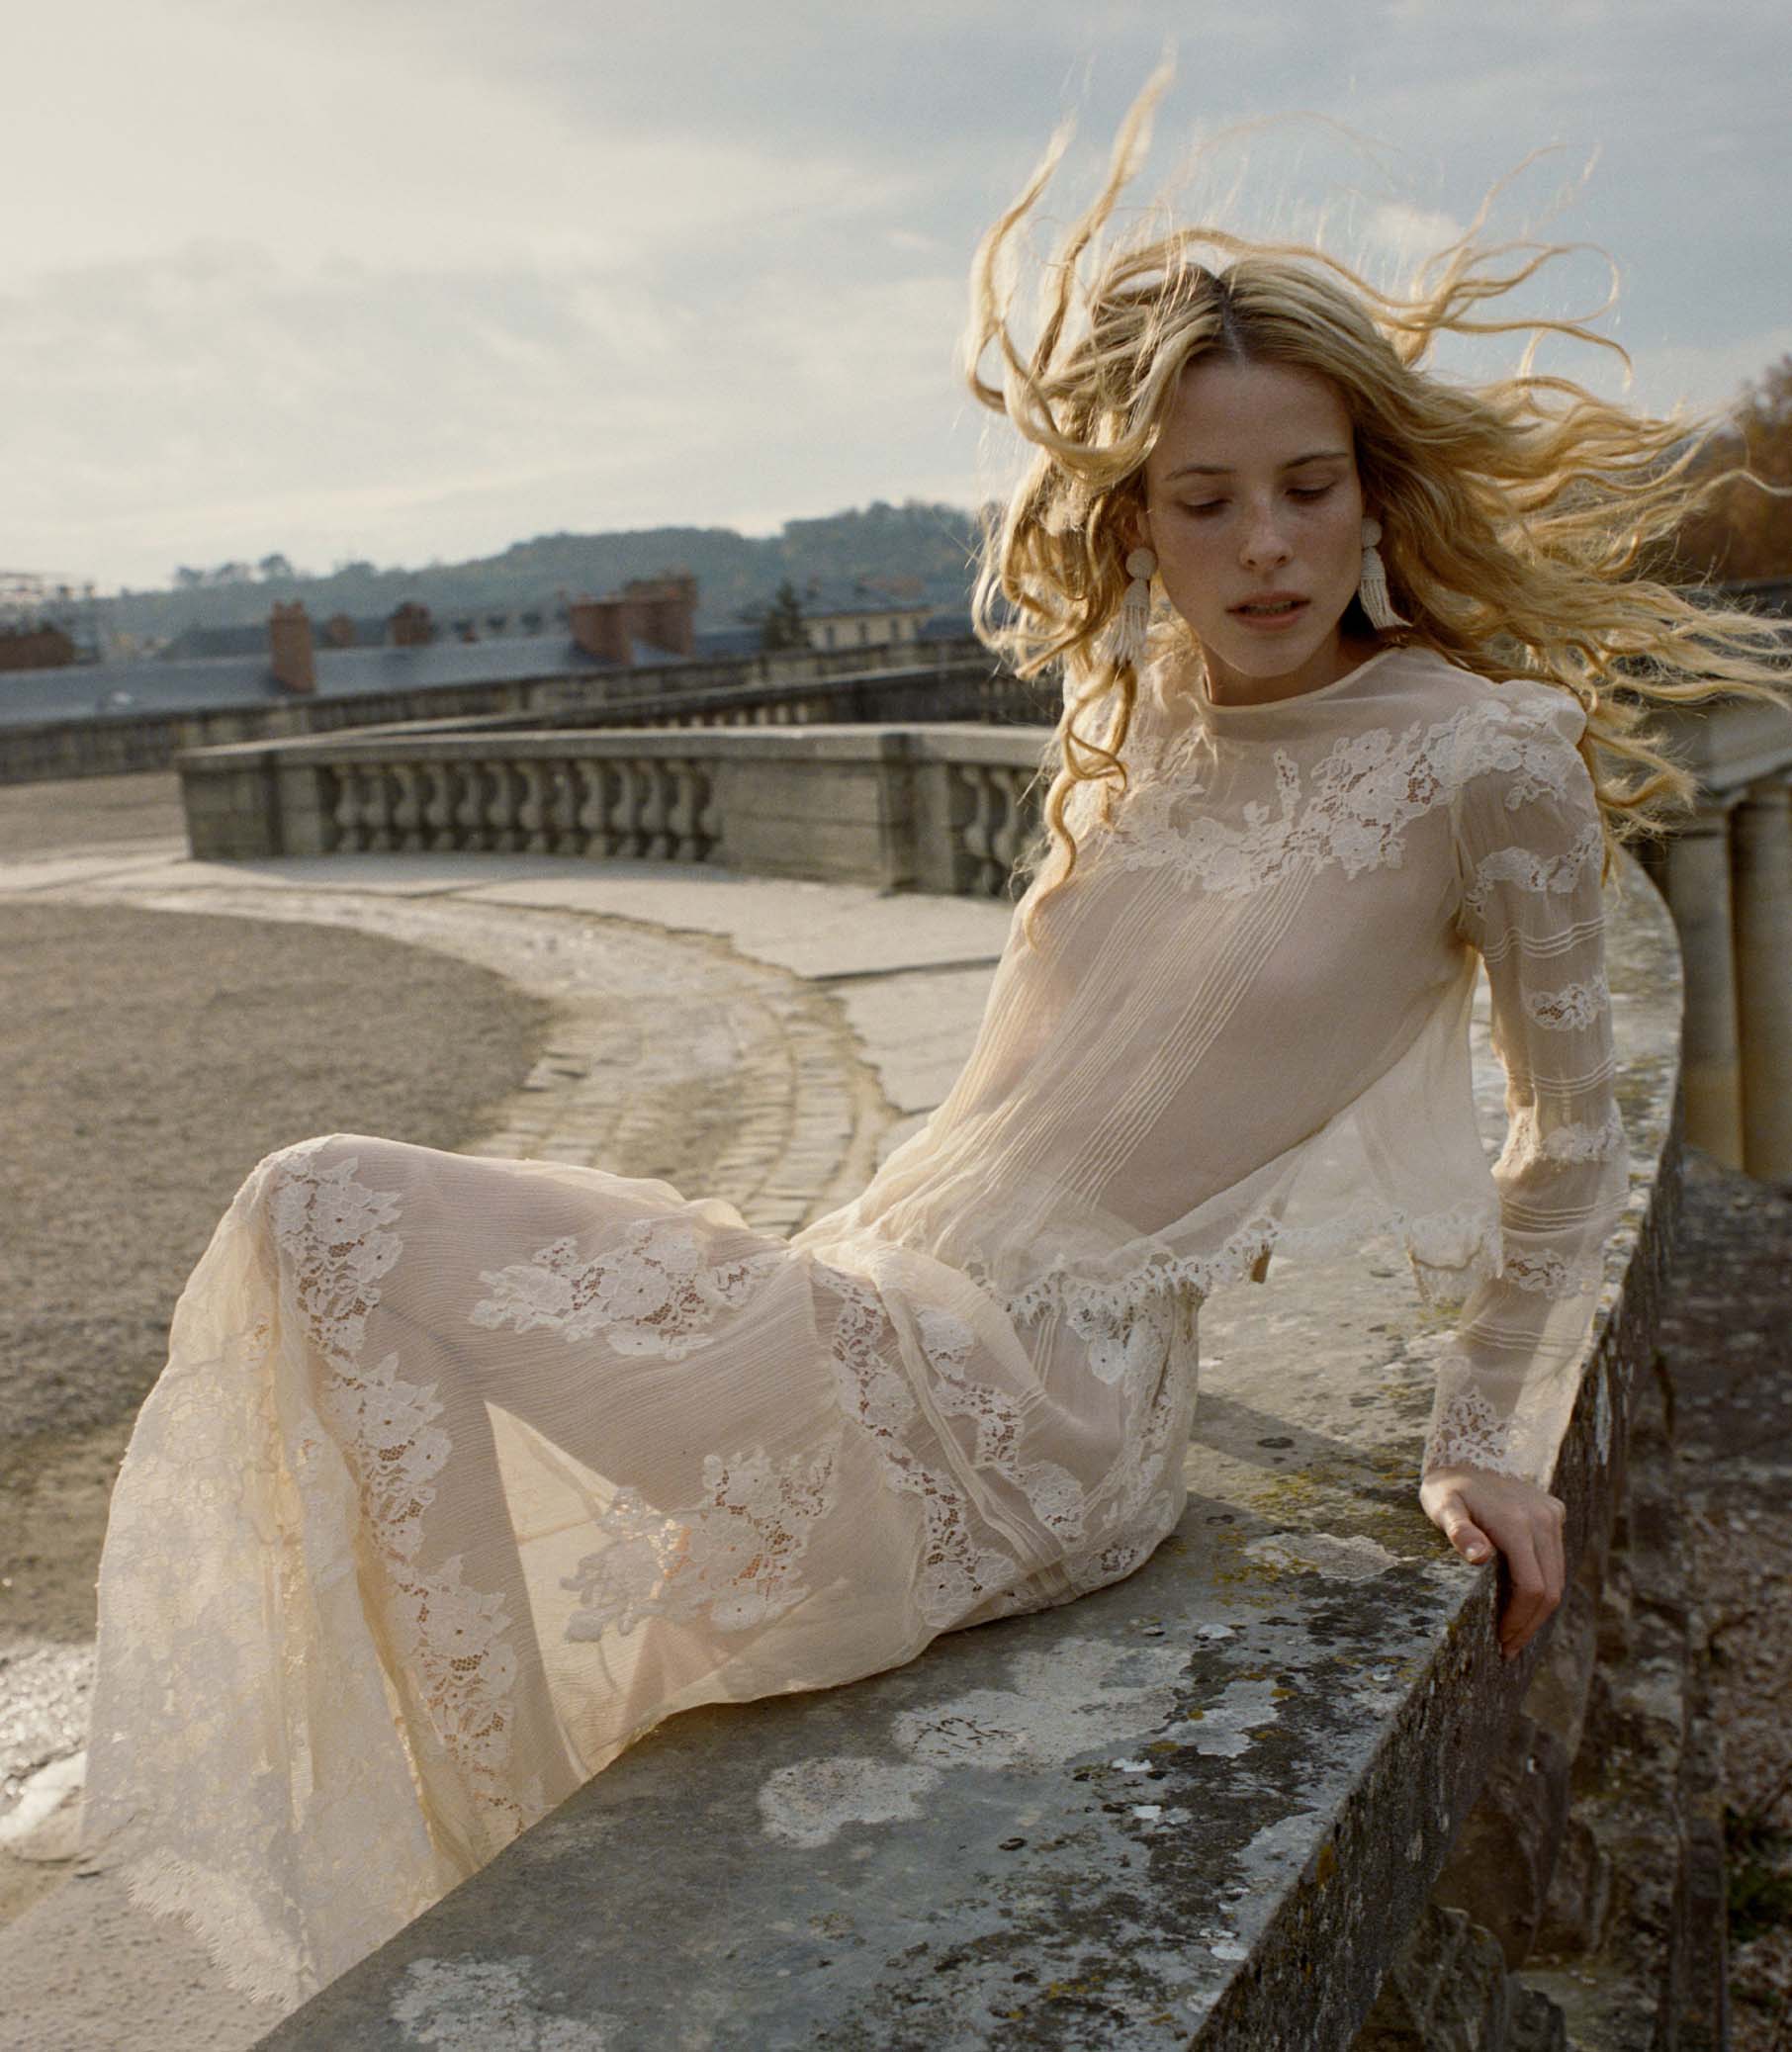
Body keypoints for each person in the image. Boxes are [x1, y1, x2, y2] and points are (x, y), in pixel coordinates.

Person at [75, 66, 1789, 2019]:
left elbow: (1570, 1136)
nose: (1265, 549)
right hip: (877, 1292)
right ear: (1135, 521)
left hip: (1043, 1404)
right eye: (1203, 500)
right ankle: (485, 1866)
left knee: (333, 1212)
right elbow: (1025, 1093)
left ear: (1375, 483)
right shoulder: (1144, 700)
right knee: (438, 1387)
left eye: (1307, 486)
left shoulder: (1491, 760)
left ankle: (460, 1888)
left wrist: (1485, 1432)